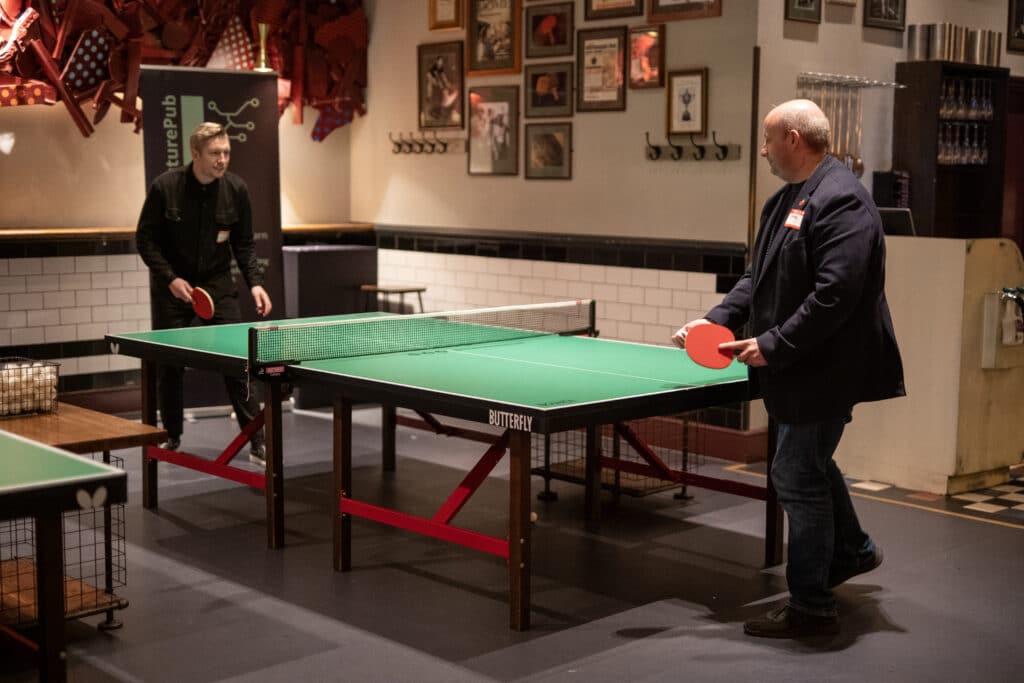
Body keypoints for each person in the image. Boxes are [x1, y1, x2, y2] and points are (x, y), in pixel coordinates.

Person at [672, 99, 904, 638]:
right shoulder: (785, 201)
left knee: (794, 474)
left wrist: (774, 344)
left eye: (768, 138)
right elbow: (757, 278)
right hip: (796, 366)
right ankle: (852, 550)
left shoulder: (843, 201)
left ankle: (811, 606)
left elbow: (836, 295)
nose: (763, 149)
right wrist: (713, 322)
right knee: (812, 466)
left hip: (826, 368)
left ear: (794, 138)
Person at [136, 122, 273, 465]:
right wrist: (169, 279)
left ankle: (257, 440)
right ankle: (171, 435)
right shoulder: (165, 188)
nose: (222, 159)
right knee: (169, 365)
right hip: (174, 287)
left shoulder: (236, 189)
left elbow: (243, 244)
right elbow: (145, 239)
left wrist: (255, 282)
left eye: (226, 152)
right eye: (215, 153)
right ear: (195, 154)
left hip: (217, 284)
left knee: (239, 362)